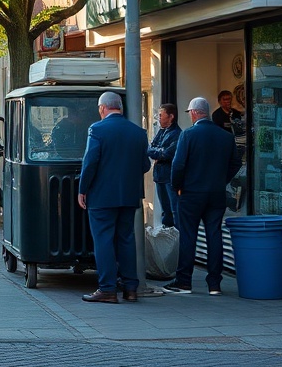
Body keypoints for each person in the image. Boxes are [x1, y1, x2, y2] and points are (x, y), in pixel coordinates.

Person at [77, 91, 151, 303]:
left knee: (104, 240)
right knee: (126, 239)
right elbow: (145, 165)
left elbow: (90, 162)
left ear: (102, 108)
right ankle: (130, 288)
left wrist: (83, 189)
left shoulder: (97, 129)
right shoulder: (138, 132)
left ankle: (107, 288)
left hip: (102, 197)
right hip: (129, 195)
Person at [165, 96, 242, 295]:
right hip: (216, 193)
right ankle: (214, 284)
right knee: (214, 235)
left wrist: (177, 186)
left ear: (193, 112)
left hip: (191, 193)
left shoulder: (188, 135)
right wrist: (220, 180)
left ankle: (184, 282)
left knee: (188, 235)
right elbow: (236, 163)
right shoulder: (225, 136)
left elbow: (178, 164)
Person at [147, 103, 181, 228]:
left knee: (174, 210)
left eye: (161, 115)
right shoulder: (162, 132)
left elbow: (166, 154)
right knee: (165, 210)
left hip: (169, 178)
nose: (159, 118)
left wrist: (158, 153)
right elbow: (150, 148)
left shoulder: (177, 134)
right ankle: (167, 236)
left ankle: (177, 239)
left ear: (170, 116)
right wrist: (158, 152)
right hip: (159, 177)